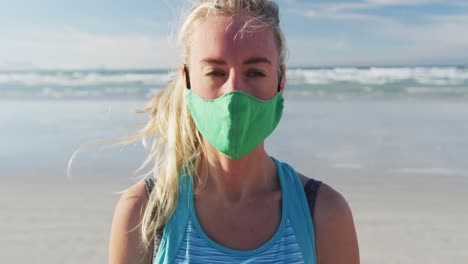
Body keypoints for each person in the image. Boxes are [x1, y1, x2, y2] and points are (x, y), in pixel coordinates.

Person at [109, 0, 359, 263]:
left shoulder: (323, 213)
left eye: (255, 72)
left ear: (280, 81)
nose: (234, 92)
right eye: (216, 72)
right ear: (188, 80)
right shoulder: (144, 212)